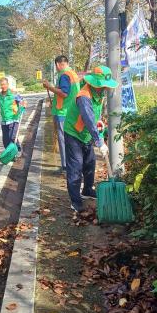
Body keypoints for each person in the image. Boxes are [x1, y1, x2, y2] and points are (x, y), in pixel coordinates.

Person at [63, 65, 117, 214]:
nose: (105, 88)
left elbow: (93, 116)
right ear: (94, 83)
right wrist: (100, 142)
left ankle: (87, 190)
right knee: (76, 166)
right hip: (73, 133)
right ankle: (75, 201)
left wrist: (98, 121)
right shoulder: (84, 96)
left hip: (86, 133)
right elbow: (87, 118)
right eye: (103, 85)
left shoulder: (98, 93)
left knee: (89, 163)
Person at [42, 55, 81, 173]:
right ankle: (74, 166)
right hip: (73, 112)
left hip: (63, 112)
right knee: (72, 141)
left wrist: (49, 87)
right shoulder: (73, 74)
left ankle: (66, 167)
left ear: (58, 64)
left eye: (56, 66)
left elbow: (64, 93)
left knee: (63, 140)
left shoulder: (64, 75)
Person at [0, 77, 26, 156]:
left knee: (12, 137)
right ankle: (10, 154)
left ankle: (18, 150)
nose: (3, 86)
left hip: (14, 119)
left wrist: (23, 105)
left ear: (8, 84)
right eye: (2, 85)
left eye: (5, 84)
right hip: (4, 121)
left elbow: (22, 101)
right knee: (5, 141)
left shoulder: (13, 94)